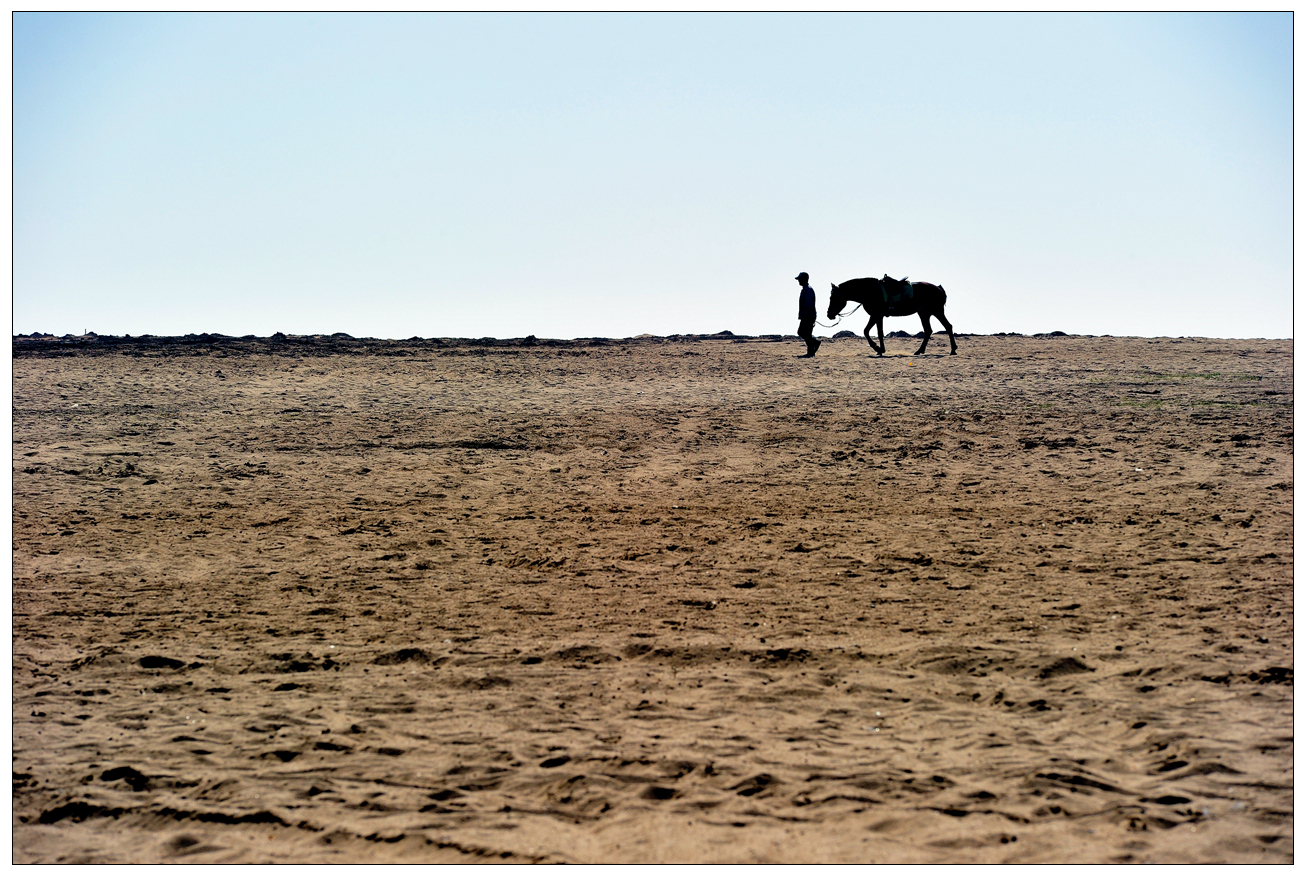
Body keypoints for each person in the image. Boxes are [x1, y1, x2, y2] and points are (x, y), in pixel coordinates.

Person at [795, 272, 820, 358]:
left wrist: (805, 314)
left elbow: (808, 304)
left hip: (809, 315)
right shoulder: (805, 289)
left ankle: (811, 351)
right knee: (802, 332)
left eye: (800, 279)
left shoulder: (808, 290)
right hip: (806, 315)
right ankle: (815, 344)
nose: (799, 281)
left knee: (806, 333)